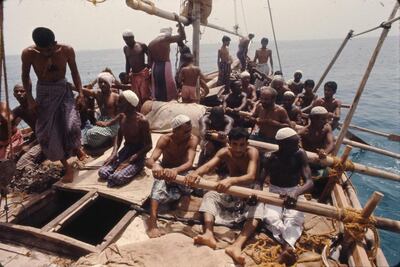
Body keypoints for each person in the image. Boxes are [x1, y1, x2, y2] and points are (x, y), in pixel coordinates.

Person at [21, 27, 83, 183]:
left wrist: (81, 93)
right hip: (44, 93)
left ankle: (77, 149)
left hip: (63, 90)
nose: (47, 53)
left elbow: (75, 72)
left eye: (50, 49)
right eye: (43, 51)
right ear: (36, 46)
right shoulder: (28, 54)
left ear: (55, 43)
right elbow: (25, 76)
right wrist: (30, 99)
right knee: (48, 134)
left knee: (71, 126)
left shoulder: (67, 50)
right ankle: (67, 167)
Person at [185, 127, 260, 251]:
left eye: (242, 144)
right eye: (234, 144)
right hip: (231, 188)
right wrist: (195, 173)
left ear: (247, 143)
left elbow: (251, 176)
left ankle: (237, 245)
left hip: (248, 189)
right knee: (209, 195)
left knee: (258, 207)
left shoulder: (252, 152)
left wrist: (231, 180)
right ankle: (208, 233)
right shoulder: (224, 152)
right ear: (229, 143)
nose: (238, 148)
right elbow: (208, 166)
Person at [256, 127, 313, 265]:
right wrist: (257, 193)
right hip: (274, 191)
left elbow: (310, 182)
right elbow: (259, 182)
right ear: (282, 145)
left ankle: (286, 247)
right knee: (270, 217)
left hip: (294, 190)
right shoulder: (270, 157)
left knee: (294, 218)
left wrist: (296, 193)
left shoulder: (300, 154)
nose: (298, 145)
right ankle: (288, 245)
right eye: (294, 143)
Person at [146, 114, 199, 238]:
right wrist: (156, 166)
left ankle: (182, 194)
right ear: (175, 131)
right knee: (158, 186)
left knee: (188, 187)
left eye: (189, 130)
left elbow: (189, 163)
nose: (188, 134)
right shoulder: (165, 139)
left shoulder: (193, 139)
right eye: (185, 131)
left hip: (181, 172)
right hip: (165, 172)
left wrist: (175, 170)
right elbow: (151, 159)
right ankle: (152, 222)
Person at [98, 90, 152, 187]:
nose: (117, 104)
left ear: (130, 104)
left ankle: (139, 165)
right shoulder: (122, 116)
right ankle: (120, 169)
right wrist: (114, 153)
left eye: (120, 102)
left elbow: (149, 145)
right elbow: (118, 137)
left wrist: (130, 160)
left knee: (116, 177)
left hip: (138, 154)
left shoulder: (142, 121)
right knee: (102, 172)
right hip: (126, 151)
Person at [148, 21, 186, 102]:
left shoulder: (150, 44)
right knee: (169, 87)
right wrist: (179, 22)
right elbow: (182, 37)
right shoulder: (165, 39)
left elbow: (149, 62)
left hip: (154, 67)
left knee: (157, 89)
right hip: (164, 66)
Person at [81, 72, 120, 148]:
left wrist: (107, 123)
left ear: (109, 83)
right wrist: (72, 86)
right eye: (100, 82)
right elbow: (85, 90)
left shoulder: (116, 97)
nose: (102, 84)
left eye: (105, 82)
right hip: (101, 122)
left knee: (91, 134)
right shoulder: (98, 94)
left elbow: (120, 115)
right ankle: (106, 139)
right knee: (87, 135)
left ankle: (111, 138)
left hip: (112, 124)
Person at [11, 85, 46, 171]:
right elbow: (8, 122)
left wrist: (30, 145)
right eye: (16, 92)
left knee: (24, 160)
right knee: (15, 156)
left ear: (27, 92)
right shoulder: (18, 110)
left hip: (47, 138)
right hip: (36, 137)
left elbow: (47, 130)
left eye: (22, 91)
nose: (19, 93)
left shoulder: (36, 106)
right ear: (14, 95)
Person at [123, 29, 151, 106]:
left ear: (132, 38)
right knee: (136, 96)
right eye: (125, 40)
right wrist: (127, 73)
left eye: (128, 39)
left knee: (145, 95)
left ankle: (147, 109)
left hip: (143, 73)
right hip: (133, 75)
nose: (126, 42)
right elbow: (127, 62)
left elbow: (150, 56)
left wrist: (148, 67)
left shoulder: (142, 45)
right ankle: (139, 110)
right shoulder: (125, 49)